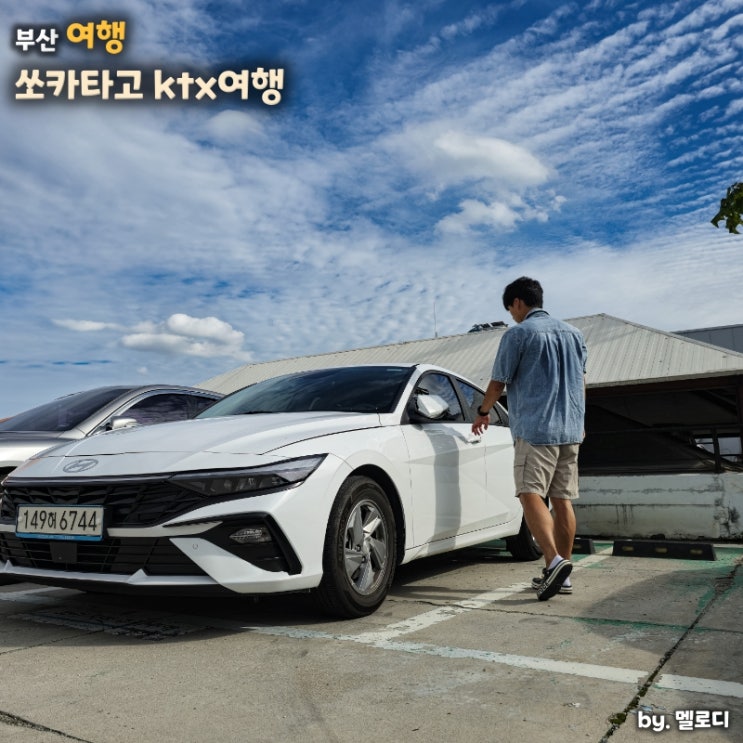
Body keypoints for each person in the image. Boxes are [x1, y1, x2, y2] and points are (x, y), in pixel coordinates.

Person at [472, 276, 587, 601]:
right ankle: (562, 576)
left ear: (518, 302)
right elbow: (580, 383)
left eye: (511, 310)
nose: (512, 316)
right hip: (570, 429)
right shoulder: (575, 334)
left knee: (529, 493)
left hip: (537, 429)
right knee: (562, 499)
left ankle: (554, 561)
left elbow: (498, 383)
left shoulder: (518, 334)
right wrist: (580, 421)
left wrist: (483, 412)